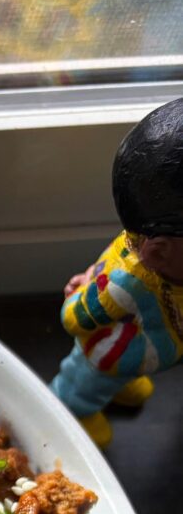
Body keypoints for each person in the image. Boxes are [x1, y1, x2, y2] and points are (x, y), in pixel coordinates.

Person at [52, 98, 183, 447]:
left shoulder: (168, 270)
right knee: (85, 382)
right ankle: (73, 411)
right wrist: (80, 299)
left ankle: (121, 384)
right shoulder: (126, 283)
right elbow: (75, 318)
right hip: (107, 354)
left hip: (137, 353)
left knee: (116, 378)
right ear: (160, 250)